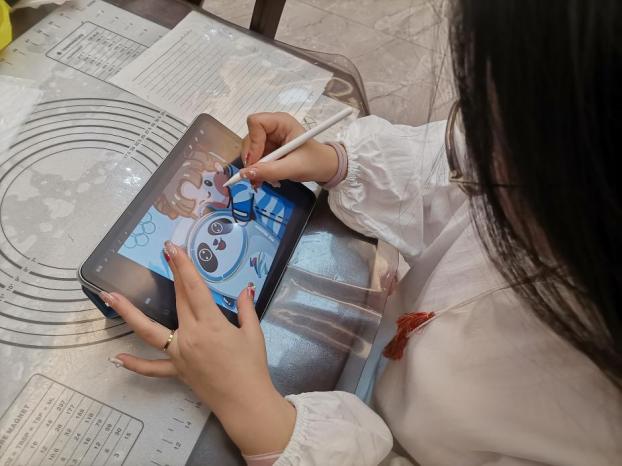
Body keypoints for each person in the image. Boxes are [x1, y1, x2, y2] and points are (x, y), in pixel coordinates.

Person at [100, 0, 621, 464]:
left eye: (506, 150)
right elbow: (448, 162)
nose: (480, 156)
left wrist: (262, 420)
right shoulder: (548, 140)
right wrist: (338, 162)